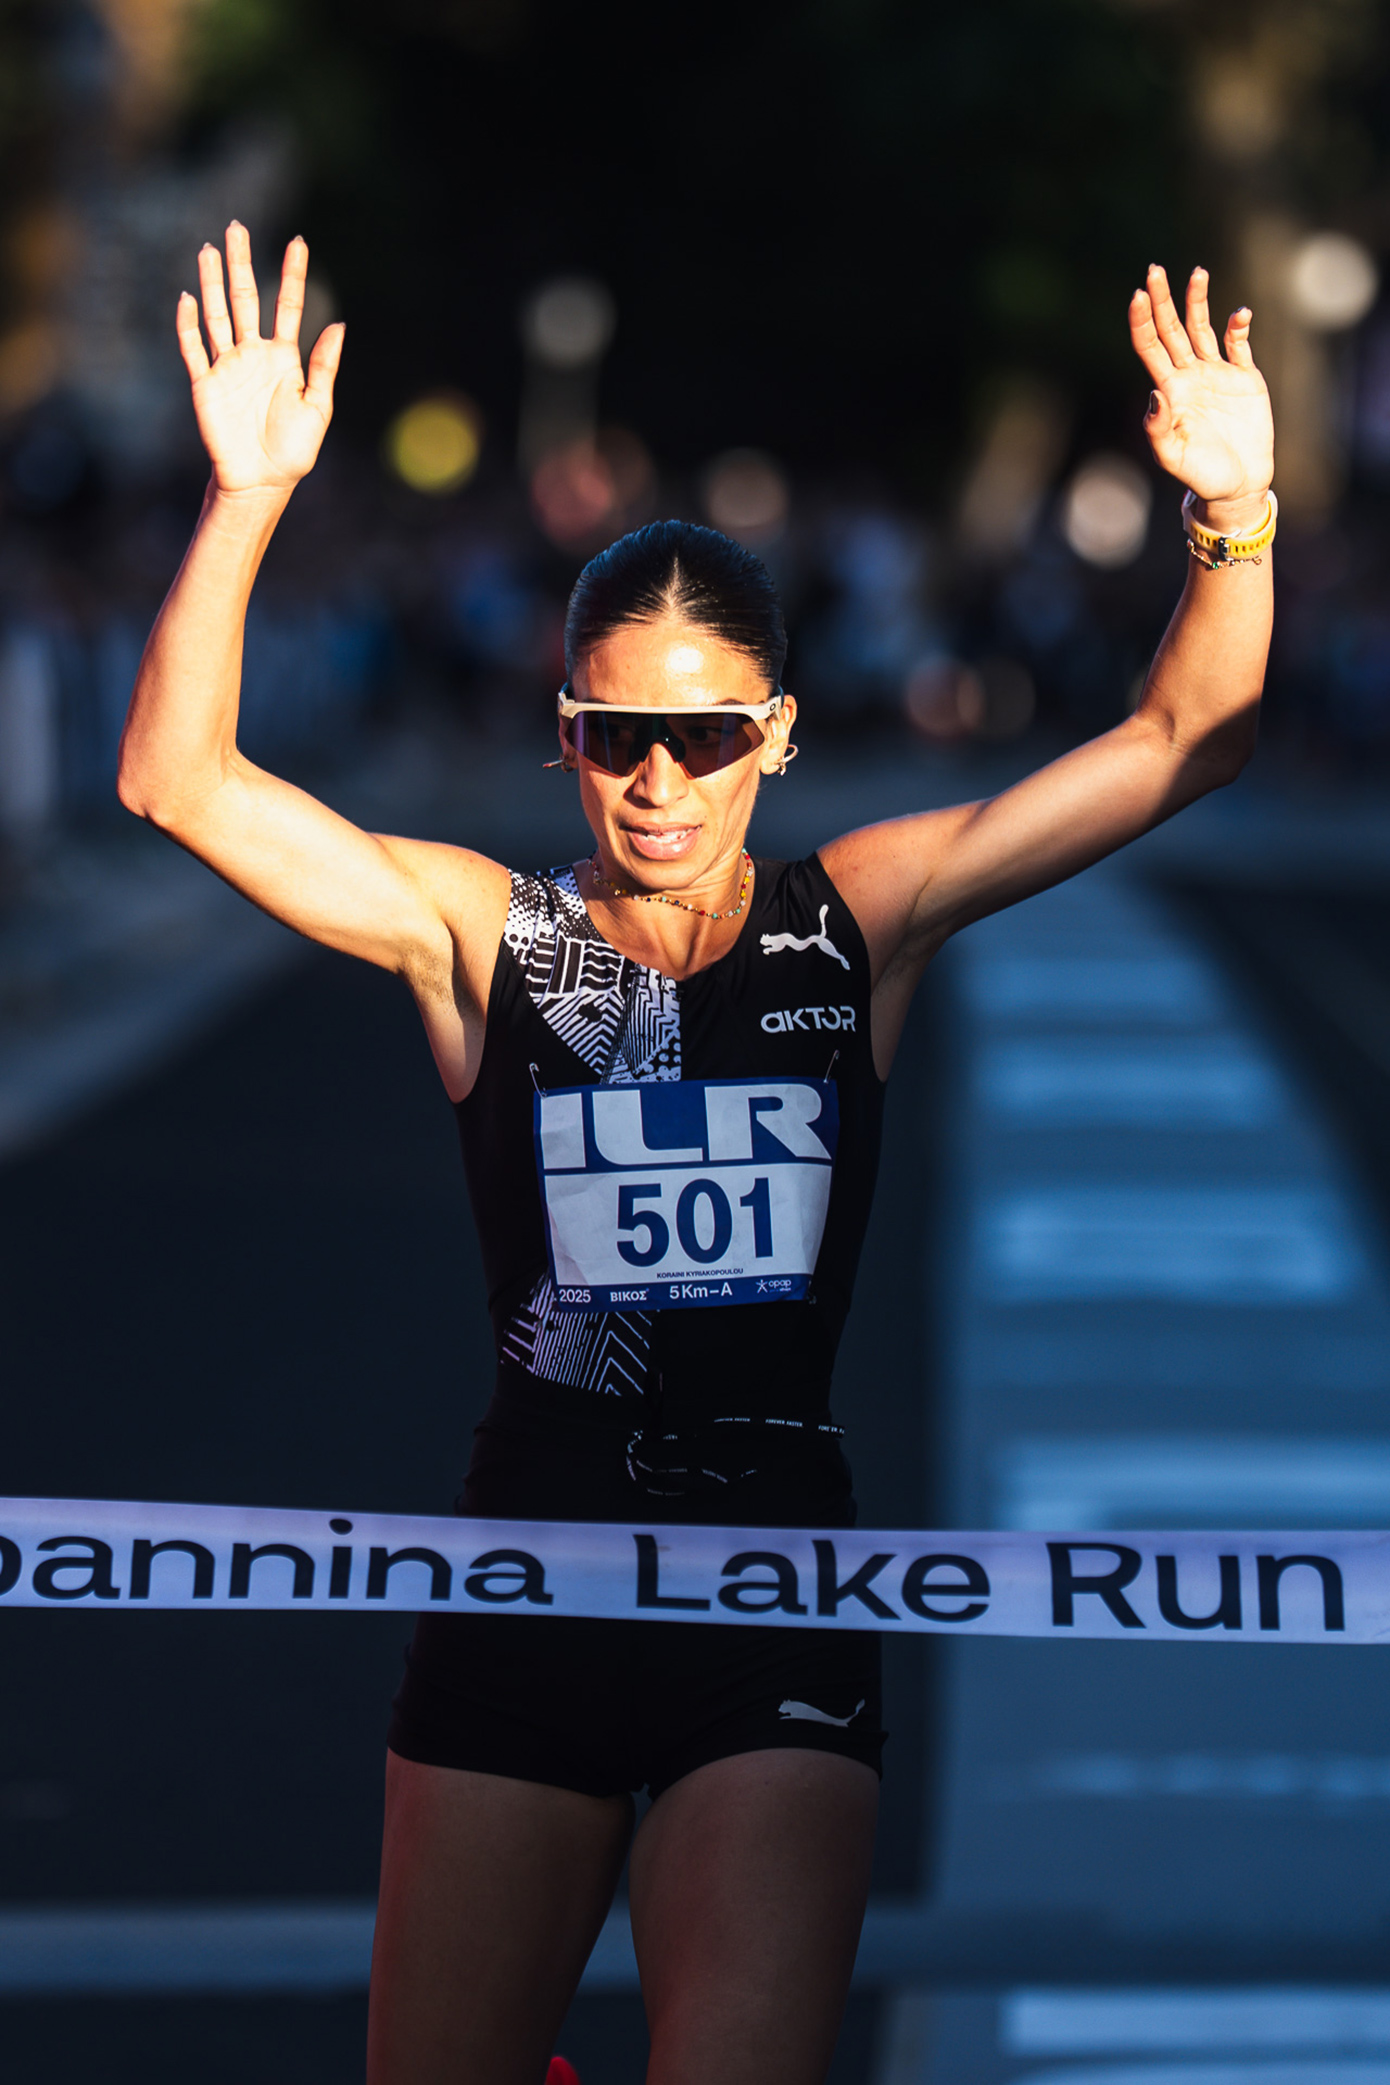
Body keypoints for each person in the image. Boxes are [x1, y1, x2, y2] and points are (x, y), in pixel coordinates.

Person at [118, 224, 1275, 2085]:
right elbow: (178, 782)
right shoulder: (483, 935)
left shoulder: (861, 921)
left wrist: (1239, 515)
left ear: (777, 736)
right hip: (527, 1592)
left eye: (704, 734)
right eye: (616, 734)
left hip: (772, 1606)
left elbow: (1183, 740)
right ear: (565, 732)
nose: (657, 779)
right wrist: (248, 496)